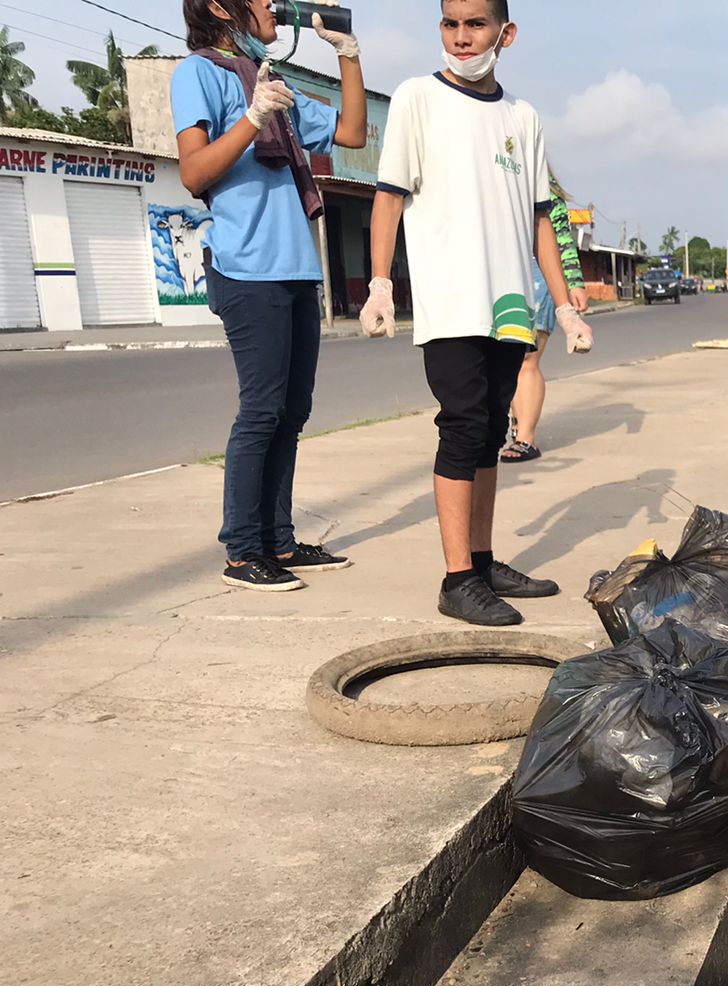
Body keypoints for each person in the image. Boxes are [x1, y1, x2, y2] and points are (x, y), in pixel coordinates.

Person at [360, 0, 594, 627]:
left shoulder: (523, 116)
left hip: (511, 304)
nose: (461, 38)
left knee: (492, 430)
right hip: (452, 302)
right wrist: (381, 283)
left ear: (505, 33)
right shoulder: (417, 98)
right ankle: (456, 578)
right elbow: (388, 196)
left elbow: (543, 216)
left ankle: (484, 562)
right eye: (450, 23)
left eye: (476, 24)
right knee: (463, 430)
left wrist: (568, 303)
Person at [173, 0, 366, 592]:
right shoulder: (199, 72)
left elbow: (352, 133)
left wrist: (347, 53)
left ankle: (278, 541)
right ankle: (241, 550)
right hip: (246, 267)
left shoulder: (269, 79)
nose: (275, 7)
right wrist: (251, 120)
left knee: (292, 411)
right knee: (260, 411)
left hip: (295, 267)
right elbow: (193, 172)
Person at [500, 176, 588, 464]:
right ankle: (516, 426)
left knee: (528, 358)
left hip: (542, 274)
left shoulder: (543, 185)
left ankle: (526, 437)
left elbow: (563, 238)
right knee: (509, 359)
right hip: (505, 273)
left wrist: (573, 283)